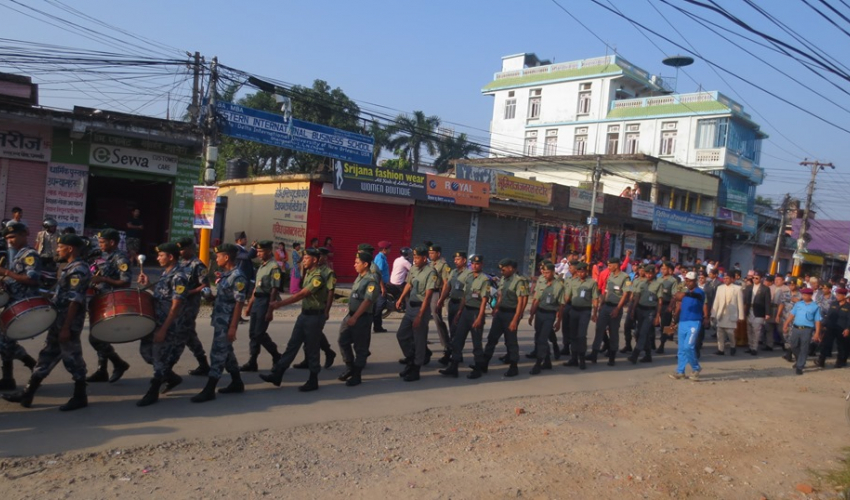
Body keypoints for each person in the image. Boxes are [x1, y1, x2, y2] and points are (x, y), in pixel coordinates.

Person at [2, 233, 90, 411]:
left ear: (70, 248)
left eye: (60, 246)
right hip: (59, 319)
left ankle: (80, 396)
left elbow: (75, 300)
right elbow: (64, 295)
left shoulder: (78, 270)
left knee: (72, 358)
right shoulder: (69, 267)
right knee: (46, 356)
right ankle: (28, 393)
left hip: (68, 322)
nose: (57, 249)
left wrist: (66, 327)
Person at [260, 247, 328, 392]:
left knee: (312, 348)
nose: (303, 261)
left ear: (314, 260)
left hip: (315, 317)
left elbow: (301, 294)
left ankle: (313, 379)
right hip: (305, 315)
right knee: (292, 345)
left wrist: (280, 303)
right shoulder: (309, 273)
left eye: (306, 258)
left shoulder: (318, 277)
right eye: (303, 258)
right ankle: (278, 374)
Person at [191, 243, 248, 402]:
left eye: (218, 256)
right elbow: (225, 297)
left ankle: (209, 389)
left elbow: (239, 303)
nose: (216, 259)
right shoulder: (226, 275)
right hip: (220, 319)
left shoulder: (238, 276)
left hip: (227, 321)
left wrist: (233, 327)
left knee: (217, 353)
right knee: (226, 352)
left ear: (226, 257)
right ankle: (237, 382)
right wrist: (211, 298)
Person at [136, 242, 189, 406]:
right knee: (146, 352)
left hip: (167, 324)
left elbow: (176, 305)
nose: (158, 258)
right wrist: (147, 285)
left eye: (161, 255)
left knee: (158, 357)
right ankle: (171, 377)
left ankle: (153, 392)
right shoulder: (166, 274)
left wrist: (164, 330)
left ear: (171, 257)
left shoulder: (178, 277)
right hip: (155, 321)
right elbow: (161, 297)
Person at [86, 228, 132, 384]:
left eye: (102, 242)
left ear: (112, 242)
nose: (100, 245)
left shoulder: (120, 258)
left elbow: (125, 281)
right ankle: (102, 370)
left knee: (96, 337)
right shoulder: (103, 256)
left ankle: (118, 363)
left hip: (111, 301)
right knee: (99, 334)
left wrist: (104, 280)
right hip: (99, 300)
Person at [0, 222, 39, 391]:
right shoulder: (16, 255)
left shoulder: (30, 254)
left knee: (5, 342)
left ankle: (29, 368)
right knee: (5, 341)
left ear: (24, 235)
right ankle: (9, 377)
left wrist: (6, 273)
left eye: (12, 236)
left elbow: (31, 279)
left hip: (22, 304)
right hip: (12, 303)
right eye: (7, 238)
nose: (10, 241)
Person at [441, 255, 490, 379]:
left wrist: (480, 317)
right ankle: (454, 366)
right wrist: (459, 312)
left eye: (477, 264)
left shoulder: (484, 280)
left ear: (481, 265)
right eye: (473, 264)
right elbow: (464, 296)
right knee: (458, 339)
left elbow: (484, 300)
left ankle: (478, 367)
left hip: (476, 312)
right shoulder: (468, 277)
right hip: (465, 311)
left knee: (476, 342)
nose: (475, 266)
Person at [395, 246, 439, 382]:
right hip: (410, 307)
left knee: (419, 340)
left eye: (417, 257)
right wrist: (401, 298)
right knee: (401, 335)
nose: (414, 260)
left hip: (421, 308)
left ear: (424, 258)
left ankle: (416, 368)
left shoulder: (431, 272)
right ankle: (410, 359)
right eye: (413, 257)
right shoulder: (414, 268)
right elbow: (409, 283)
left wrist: (420, 316)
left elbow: (428, 296)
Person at [337, 251, 380, 387]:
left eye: (357, 263)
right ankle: (350, 366)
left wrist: (355, 317)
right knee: (342, 341)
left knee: (360, 347)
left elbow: (367, 300)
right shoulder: (359, 277)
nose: (354, 265)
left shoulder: (371, 280)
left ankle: (357, 375)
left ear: (365, 264)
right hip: (351, 314)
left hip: (361, 317)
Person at [239, 240, 282, 372]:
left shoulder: (274, 267)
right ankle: (253, 361)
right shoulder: (262, 266)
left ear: (269, 251)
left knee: (259, 333)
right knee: (253, 333)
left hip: (266, 301)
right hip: (257, 301)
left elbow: (274, 289)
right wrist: (249, 306)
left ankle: (276, 355)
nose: (258, 254)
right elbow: (255, 289)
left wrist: (270, 310)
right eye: (257, 251)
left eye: (261, 251)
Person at [482, 258, 529, 377]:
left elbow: (521, 301)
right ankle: (484, 363)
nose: (501, 272)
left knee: (511, 341)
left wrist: (515, 319)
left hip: (511, 314)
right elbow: (500, 294)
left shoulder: (519, 281)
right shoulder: (504, 279)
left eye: (503, 269)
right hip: (500, 313)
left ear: (511, 268)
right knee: (492, 338)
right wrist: (496, 308)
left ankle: (513, 366)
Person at [292, 247, 337, 369]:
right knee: (313, 335)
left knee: (314, 336)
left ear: (325, 257)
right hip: (308, 309)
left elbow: (330, 292)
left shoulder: (328, 272)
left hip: (319, 308)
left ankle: (327, 353)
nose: (320, 258)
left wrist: (327, 311)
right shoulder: (311, 270)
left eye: (322, 256)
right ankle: (314, 358)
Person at [177, 237, 211, 376]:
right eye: (179, 249)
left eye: (183, 249)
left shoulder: (198, 265)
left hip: (191, 303)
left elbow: (205, 284)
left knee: (183, 332)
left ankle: (167, 366)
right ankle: (203, 363)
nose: (180, 251)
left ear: (190, 249)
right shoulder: (180, 263)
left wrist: (190, 292)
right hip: (179, 303)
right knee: (189, 334)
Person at [590, 256, 632, 366]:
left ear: (616, 265)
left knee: (613, 332)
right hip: (605, 306)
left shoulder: (625, 278)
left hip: (615, 308)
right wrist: (601, 303)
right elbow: (606, 292)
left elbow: (625, 294)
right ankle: (594, 354)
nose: (608, 267)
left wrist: (618, 309)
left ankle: (612, 356)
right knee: (599, 329)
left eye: (610, 265)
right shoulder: (610, 276)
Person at [527, 261, 566, 374]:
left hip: (550, 314)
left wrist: (559, 321)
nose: (545, 274)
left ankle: (538, 363)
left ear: (553, 272)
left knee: (542, 339)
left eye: (547, 272)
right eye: (544, 272)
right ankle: (548, 361)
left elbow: (561, 305)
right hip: (540, 313)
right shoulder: (541, 282)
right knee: (539, 336)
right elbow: (536, 299)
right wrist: (532, 315)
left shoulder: (559, 286)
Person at [670, 272, 708, 380]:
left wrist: (684, 294)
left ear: (695, 281)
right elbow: (680, 306)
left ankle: (696, 368)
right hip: (683, 322)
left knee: (688, 347)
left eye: (690, 281)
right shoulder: (685, 292)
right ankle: (680, 371)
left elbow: (696, 296)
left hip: (694, 322)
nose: (688, 282)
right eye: (686, 280)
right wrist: (675, 320)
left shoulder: (699, 292)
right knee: (681, 349)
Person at [436, 251, 471, 365]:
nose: (455, 261)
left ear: (464, 260)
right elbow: (448, 286)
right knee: (452, 329)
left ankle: (452, 355)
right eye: (455, 260)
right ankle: (456, 354)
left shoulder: (469, 274)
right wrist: (441, 300)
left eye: (458, 259)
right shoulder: (453, 272)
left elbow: (467, 293)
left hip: (462, 305)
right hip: (452, 303)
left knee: (458, 331)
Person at [563, 262, 598, 370]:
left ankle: (582, 359)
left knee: (581, 335)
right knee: (573, 335)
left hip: (585, 311)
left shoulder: (591, 283)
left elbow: (595, 298)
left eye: (583, 271)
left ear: (586, 272)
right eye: (579, 271)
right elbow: (567, 297)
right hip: (573, 310)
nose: (581, 273)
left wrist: (594, 313)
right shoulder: (573, 282)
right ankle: (574, 358)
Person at [782, 288, 822, 375]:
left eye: (805, 295)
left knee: (804, 348)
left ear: (810, 295)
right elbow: (792, 314)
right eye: (802, 295)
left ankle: (800, 366)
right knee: (793, 345)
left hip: (807, 329)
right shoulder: (799, 304)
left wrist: (817, 333)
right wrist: (786, 324)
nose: (803, 296)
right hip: (796, 328)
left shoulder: (815, 306)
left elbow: (817, 321)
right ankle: (800, 359)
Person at [628, 264, 663, 364]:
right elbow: (637, 297)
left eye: (650, 273)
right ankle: (648, 355)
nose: (648, 275)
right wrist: (633, 310)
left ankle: (635, 354)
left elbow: (660, 301)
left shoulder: (658, 284)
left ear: (654, 273)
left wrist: (657, 316)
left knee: (643, 332)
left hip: (650, 311)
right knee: (641, 333)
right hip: (640, 309)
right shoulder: (641, 284)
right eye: (647, 273)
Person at [710, 272, 744, 355]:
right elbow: (716, 302)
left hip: (731, 314)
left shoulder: (737, 288)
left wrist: (741, 316)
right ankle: (720, 349)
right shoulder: (720, 288)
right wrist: (713, 314)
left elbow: (740, 303)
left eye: (727, 278)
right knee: (720, 333)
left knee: (730, 333)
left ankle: (733, 346)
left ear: (732, 279)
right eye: (724, 278)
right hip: (721, 313)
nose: (725, 280)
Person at [427, 244, 452, 357]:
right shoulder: (429, 264)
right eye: (429, 253)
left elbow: (446, 283)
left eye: (433, 253)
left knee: (437, 319)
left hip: (437, 292)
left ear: (438, 253)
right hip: (428, 292)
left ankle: (446, 344)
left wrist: (442, 298)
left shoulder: (444, 265)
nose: (430, 255)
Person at [815, 288, 848, 368]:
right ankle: (821, 361)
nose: (837, 296)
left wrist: (848, 329)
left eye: (839, 295)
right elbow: (829, 315)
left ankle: (840, 362)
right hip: (831, 327)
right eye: (836, 295)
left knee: (842, 345)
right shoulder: (833, 304)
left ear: (844, 296)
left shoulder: (848, 306)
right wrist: (824, 325)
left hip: (842, 328)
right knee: (825, 344)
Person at [743, 271, 772, 355]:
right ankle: (750, 346)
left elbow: (767, 302)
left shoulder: (765, 289)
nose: (755, 279)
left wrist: (767, 313)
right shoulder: (749, 287)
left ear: (761, 279)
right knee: (749, 330)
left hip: (759, 311)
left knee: (756, 330)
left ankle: (754, 348)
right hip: (749, 310)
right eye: (753, 278)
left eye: (757, 278)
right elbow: (745, 300)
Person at [656, 262, 679, 354]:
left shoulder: (673, 280)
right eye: (662, 269)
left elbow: (674, 295)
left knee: (665, 326)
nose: (663, 270)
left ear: (669, 269)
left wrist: (670, 307)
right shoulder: (658, 278)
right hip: (657, 304)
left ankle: (662, 344)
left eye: (665, 269)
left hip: (667, 304)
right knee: (654, 324)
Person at [372, 241, 391, 333]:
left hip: (383, 284)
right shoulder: (380, 258)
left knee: (378, 306)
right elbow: (377, 274)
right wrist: (382, 287)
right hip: (380, 285)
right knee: (380, 305)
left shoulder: (383, 258)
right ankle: (374, 322)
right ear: (384, 250)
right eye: (389, 249)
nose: (390, 251)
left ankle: (378, 326)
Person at [234, 231, 257, 299]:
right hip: (241, 274)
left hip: (246, 274)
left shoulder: (243, 249)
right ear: (239, 240)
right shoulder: (236, 249)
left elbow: (252, 256)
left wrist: (255, 249)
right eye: (245, 239)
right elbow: (247, 256)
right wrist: (252, 248)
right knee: (240, 292)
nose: (246, 241)